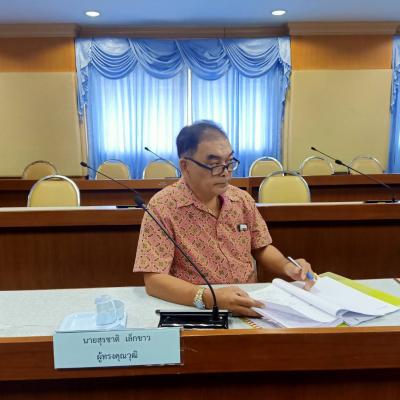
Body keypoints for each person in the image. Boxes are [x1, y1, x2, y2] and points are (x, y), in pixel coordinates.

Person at [133, 121, 316, 317]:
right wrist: (209, 298)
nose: (225, 172)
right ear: (185, 166)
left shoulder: (241, 199)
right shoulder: (163, 206)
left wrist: (287, 266)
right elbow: (154, 280)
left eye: (229, 162)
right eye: (214, 165)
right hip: (197, 311)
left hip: (248, 305)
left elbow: (261, 247)